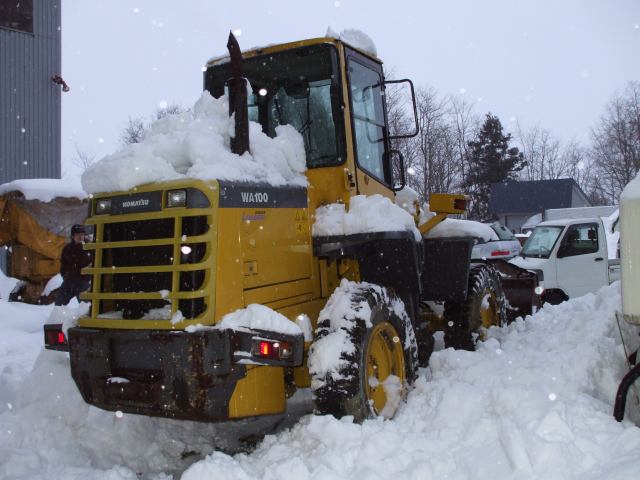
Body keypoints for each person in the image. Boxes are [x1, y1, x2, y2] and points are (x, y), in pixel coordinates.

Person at [55, 224, 93, 306]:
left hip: (84, 281)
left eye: (82, 234)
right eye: (77, 234)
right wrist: (65, 275)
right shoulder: (67, 249)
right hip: (69, 281)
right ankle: (59, 318)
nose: (80, 236)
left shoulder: (90, 247)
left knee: (87, 306)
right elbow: (63, 265)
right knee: (59, 304)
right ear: (73, 236)